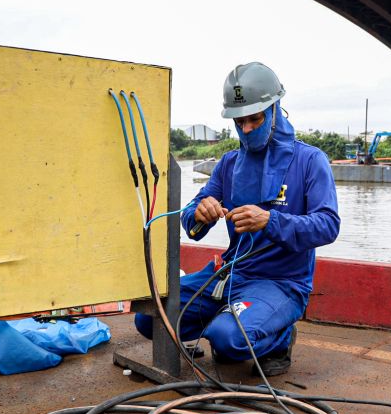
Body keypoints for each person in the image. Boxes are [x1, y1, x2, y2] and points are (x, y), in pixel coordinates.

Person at [135, 62, 340, 376]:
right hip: (230, 273)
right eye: (239, 121)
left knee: (227, 340)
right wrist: (200, 211)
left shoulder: (310, 160)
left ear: (274, 110)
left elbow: (328, 225)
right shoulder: (229, 164)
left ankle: (280, 337)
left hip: (282, 283)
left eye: (254, 119)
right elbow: (191, 217)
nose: (246, 129)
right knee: (149, 317)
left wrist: (270, 220)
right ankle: (227, 318)